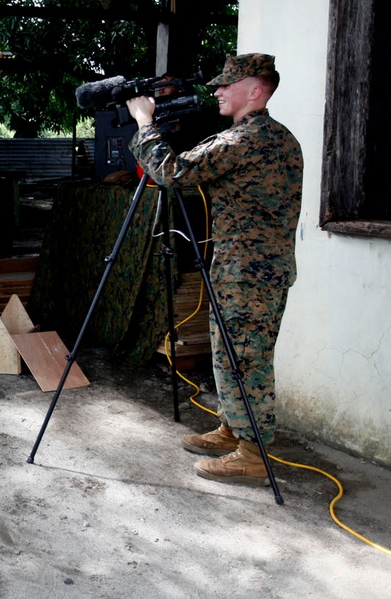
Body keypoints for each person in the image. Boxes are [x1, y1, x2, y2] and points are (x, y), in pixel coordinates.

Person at [126, 53, 303, 486]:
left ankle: (253, 454)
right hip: (249, 270)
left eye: (227, 85)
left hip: (248, 273)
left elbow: (172, 171)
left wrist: (144, 123)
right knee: (231, 355)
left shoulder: (247, 140)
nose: (218, 91)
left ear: (256, 91)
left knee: (245, 360)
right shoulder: (271, 137)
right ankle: (233, 430)